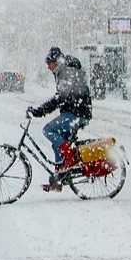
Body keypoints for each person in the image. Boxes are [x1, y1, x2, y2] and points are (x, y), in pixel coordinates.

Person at [28, 47, 92, 192]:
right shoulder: (63, 72)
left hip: (78, 113)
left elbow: (60, 97)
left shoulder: (67, 71)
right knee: (57, 145)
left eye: (49, 63)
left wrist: (40, 110)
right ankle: (58, 179)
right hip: (73, 111)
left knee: (49, 130)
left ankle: (69, 159)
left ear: (56, 62)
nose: (48, 66)